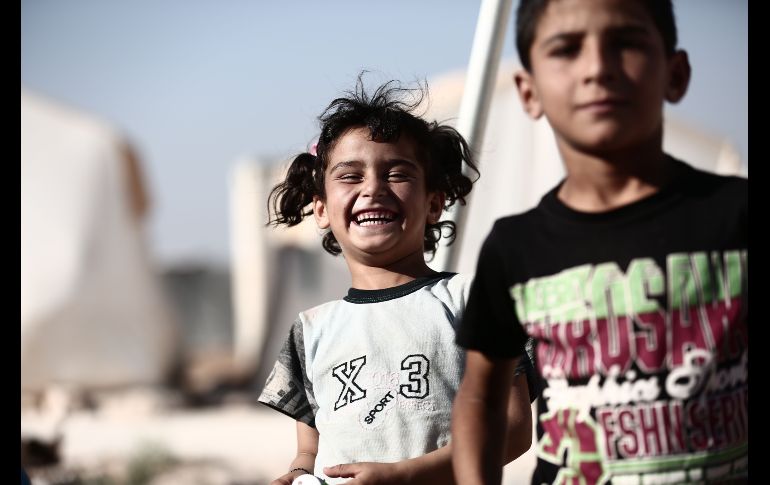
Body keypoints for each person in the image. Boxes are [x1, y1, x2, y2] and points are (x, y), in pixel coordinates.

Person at [451, 1, 748, 484]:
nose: (597, 68)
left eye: (626, 43)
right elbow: (480, 395)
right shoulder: (516, 247)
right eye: (566, 49)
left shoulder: (735, 214)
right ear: (529, 92)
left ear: (675, 73)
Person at [259, 75, 537, 485]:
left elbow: (513, 429)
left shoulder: (473, 300)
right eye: (350, 176)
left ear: (433, 204)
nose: (373, 188)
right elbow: (309, 448)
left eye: (396, 173)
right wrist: (297, 472)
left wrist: (407, 475)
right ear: (320, 209)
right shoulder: (312, 330)